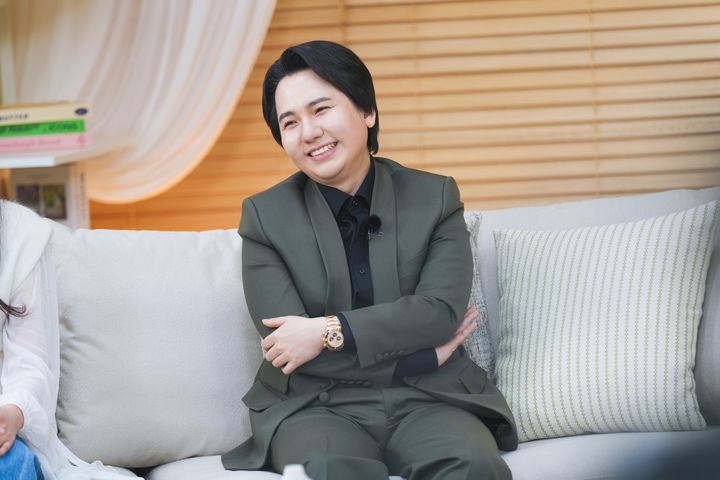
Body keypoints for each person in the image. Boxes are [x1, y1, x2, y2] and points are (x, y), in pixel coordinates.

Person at [222, 40, 517, 480]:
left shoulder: (435, 197)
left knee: (472, 466)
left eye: (321, 110)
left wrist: (326, 330)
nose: (309, 132)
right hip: (316, 406)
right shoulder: (264, 217)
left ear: (367, 111)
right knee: (327, 471)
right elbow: (290, 351)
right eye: (290, 122)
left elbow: (438, 313)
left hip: (431, 399)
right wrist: (419, 358)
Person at [0, 199, 135, 480]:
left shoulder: (20, 233)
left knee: (12, 463)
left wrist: (13, 412)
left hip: (6, 432)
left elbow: (30, 361)